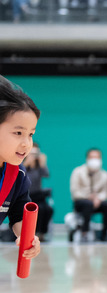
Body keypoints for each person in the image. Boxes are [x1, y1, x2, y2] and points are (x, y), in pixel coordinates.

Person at [0, 75, 41, 261]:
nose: (27, 144)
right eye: (18, 133)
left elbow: (18, 214)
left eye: (30, 134)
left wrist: (27, 237)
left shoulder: (18, 175)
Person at [70, 148, 107, 243]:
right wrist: (88, 197)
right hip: (81, 201)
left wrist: (98, 198)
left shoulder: (105, 175)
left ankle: (105, 234)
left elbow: (106, 193)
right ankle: (84, 233)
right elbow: (75, 191)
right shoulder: (78, 172)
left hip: (97, 202)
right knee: (87, 204)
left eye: (97, 157)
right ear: (87, 159)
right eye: (92, 157)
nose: (94, 160)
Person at [22, 142, 53, 241]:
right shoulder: (22, 164)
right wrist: (27, 163)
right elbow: (21, 176)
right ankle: (33, 233)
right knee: (38, 209)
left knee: (47, 209)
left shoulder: (39, 165)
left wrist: (43, 164)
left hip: (38, 195)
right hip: (26, 195)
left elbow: (46, 175)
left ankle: (42, 233)